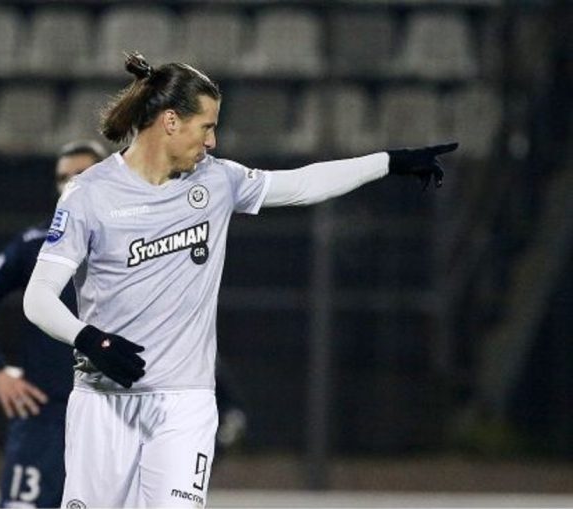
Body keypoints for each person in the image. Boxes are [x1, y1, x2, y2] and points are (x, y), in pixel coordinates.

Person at [23, 52, 458, 508]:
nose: (212, 142)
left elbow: (303, 184)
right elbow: (39, 297)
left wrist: (389, 162)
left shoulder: (217, 181)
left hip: (185, 404)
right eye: (206, 127)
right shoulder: (89, 194)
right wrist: (90, 340)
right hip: (103, 402)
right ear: (170, 121)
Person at [0, 140, 108, 508]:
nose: (70, 185)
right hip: (46, 416)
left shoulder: (138, 244)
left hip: (111, 416)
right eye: (63, 177)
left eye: (81, 175)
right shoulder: (35, 244)